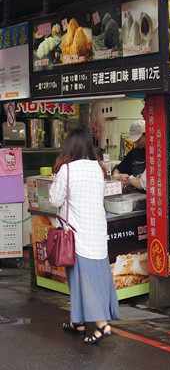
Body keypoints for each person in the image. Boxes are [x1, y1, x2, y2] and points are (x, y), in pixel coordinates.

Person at [49, 127, 119, 344]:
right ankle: (77, 321)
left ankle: (101, 325)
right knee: (95, 278)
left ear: (69, 146)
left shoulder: (67, 170)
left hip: (77, 235)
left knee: (83, 280)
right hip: (97, 233)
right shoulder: (98, 169)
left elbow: (54, 199)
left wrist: (55, 180)